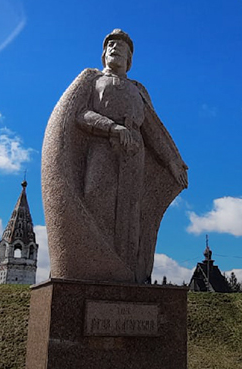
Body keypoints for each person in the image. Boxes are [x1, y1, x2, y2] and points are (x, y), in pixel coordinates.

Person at [42, 29, 188, 284]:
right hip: (103, 147)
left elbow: (152, 129)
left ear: (130, 58)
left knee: (130, 214)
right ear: (103, 54)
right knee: (95, 199)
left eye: (121, 46)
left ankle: (127, 275)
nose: (115, 48)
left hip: (134, 155)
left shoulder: (137, 89)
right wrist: (112, 127)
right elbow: (79, 114)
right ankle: (94, 268)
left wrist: (172, 162)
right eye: (110, 45)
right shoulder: (94, 80)